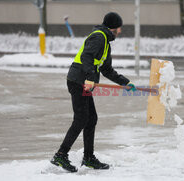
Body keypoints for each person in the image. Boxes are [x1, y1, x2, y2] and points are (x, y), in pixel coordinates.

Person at [51, 12, 137, 172]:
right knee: (82, 119)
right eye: (119, 27)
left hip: (84, 82)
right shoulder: (98, 37)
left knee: (91, 119)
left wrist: (125, 82)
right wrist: (90, 78)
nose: (121, 31)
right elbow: (86, 57)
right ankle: (60, 155)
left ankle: (88, 158)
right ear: (114, 27)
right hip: (78, 81)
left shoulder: (105, 43)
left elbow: (107, 70)